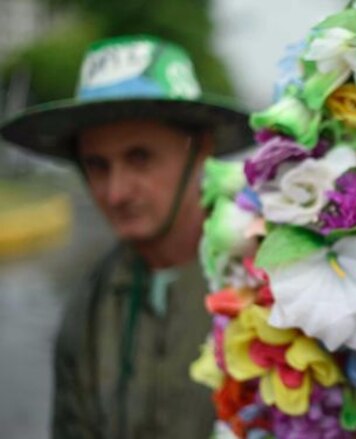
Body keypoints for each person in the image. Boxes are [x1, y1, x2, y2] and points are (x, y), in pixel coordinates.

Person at [0, 35, 253, 438]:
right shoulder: (88, 308)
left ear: (200, 148)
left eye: (140, 157)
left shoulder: (264, 289)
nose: (116, 192)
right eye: (97, 165)